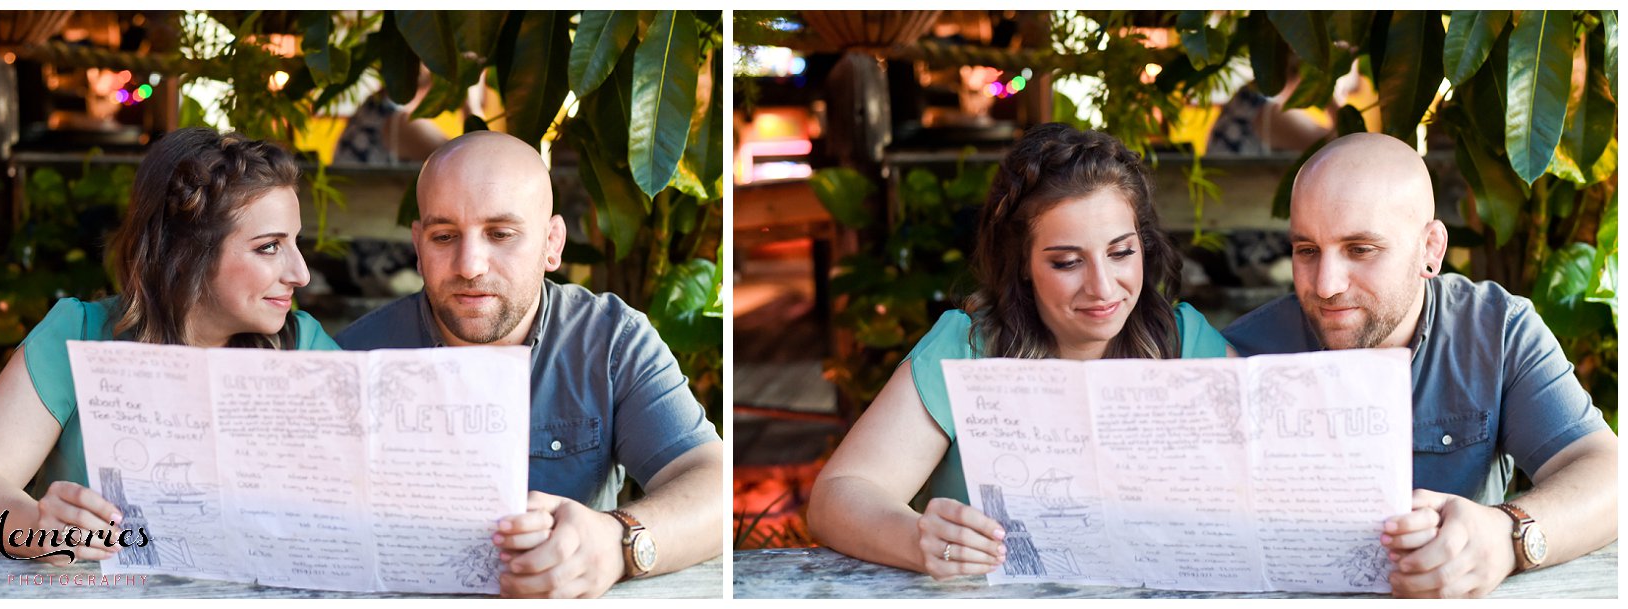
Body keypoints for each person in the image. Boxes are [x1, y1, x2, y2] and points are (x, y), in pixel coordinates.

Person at [807, 123, 1233, 580]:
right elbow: (837, 497)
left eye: (1121, 252)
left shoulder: (1184, 342)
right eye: (1067, 262)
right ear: (1023, 265)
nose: (1103, 287)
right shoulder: (968, 348)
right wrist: (917, 540)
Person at [1220, 133, 1618, 598]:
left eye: (1360, 249)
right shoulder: (1246, 352)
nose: (1325, 285)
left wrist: (1504, 536)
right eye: (1307, 250)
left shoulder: (1495, 331)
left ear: (1430, 248)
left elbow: (1609, 474)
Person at [334, 131, 722, 598]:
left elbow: (713, 483)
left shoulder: (610, 341)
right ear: (418, 245)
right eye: (444, 236)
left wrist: (615, 541)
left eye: (501, 234)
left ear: (551, 243)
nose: (470, 264)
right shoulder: (352, 360)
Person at [0, 128, 336, 561]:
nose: (301, 273)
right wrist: (34, 527)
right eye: (269, 247)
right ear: (186, 253)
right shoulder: (78, 334)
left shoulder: (301, 345)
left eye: (296, 243)